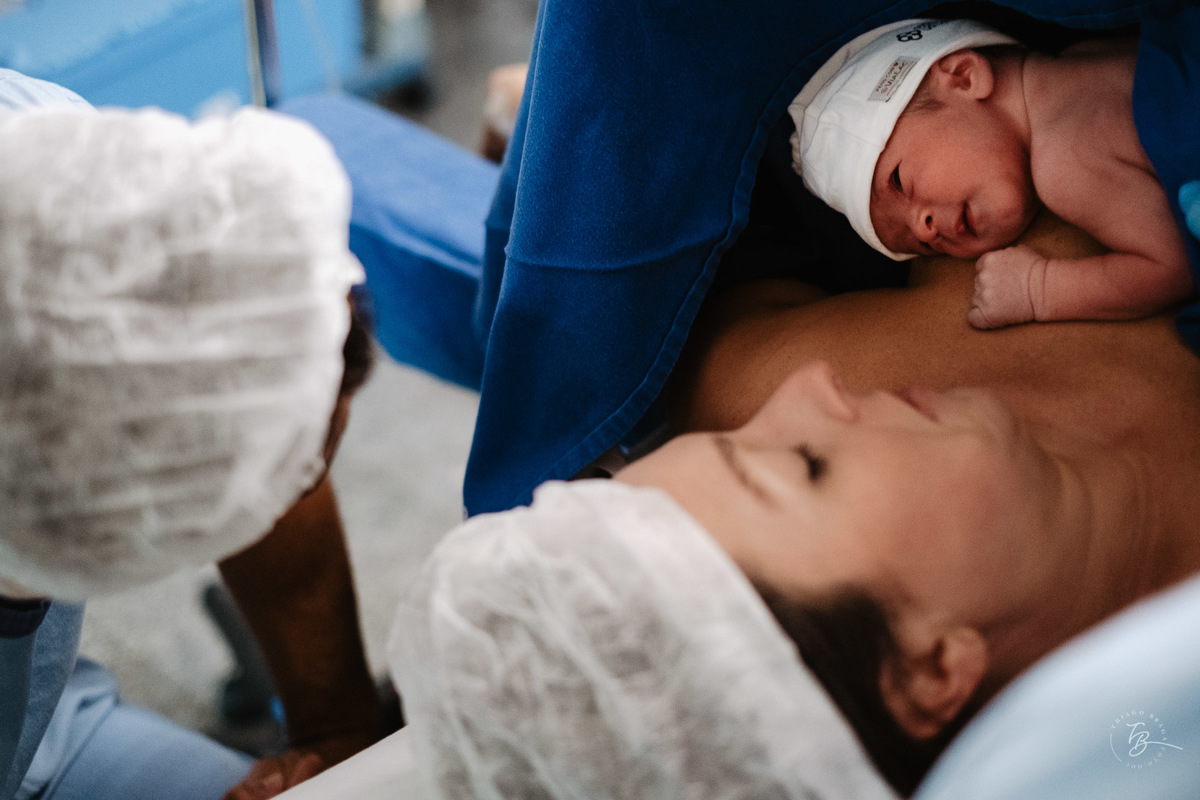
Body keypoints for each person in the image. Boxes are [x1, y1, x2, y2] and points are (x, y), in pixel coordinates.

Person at [388, 209, 1200, 799]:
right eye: (807, 465)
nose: (812, 387)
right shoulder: (1164, 720)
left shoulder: (747, 370)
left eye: (732, 438)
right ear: (929, 669)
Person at [0, 75, 383, 800]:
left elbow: (230, 379)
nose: (288, 487)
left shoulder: (50, 168)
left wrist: (335, 736)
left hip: (58, 733)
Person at [789, 18, 1193, 329]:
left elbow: (1172, 268)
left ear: (965, 77)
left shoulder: (1063, 164)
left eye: (899, 180)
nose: (926, 228)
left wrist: (1040, 289)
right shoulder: (1090, 53)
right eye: (921, 245)